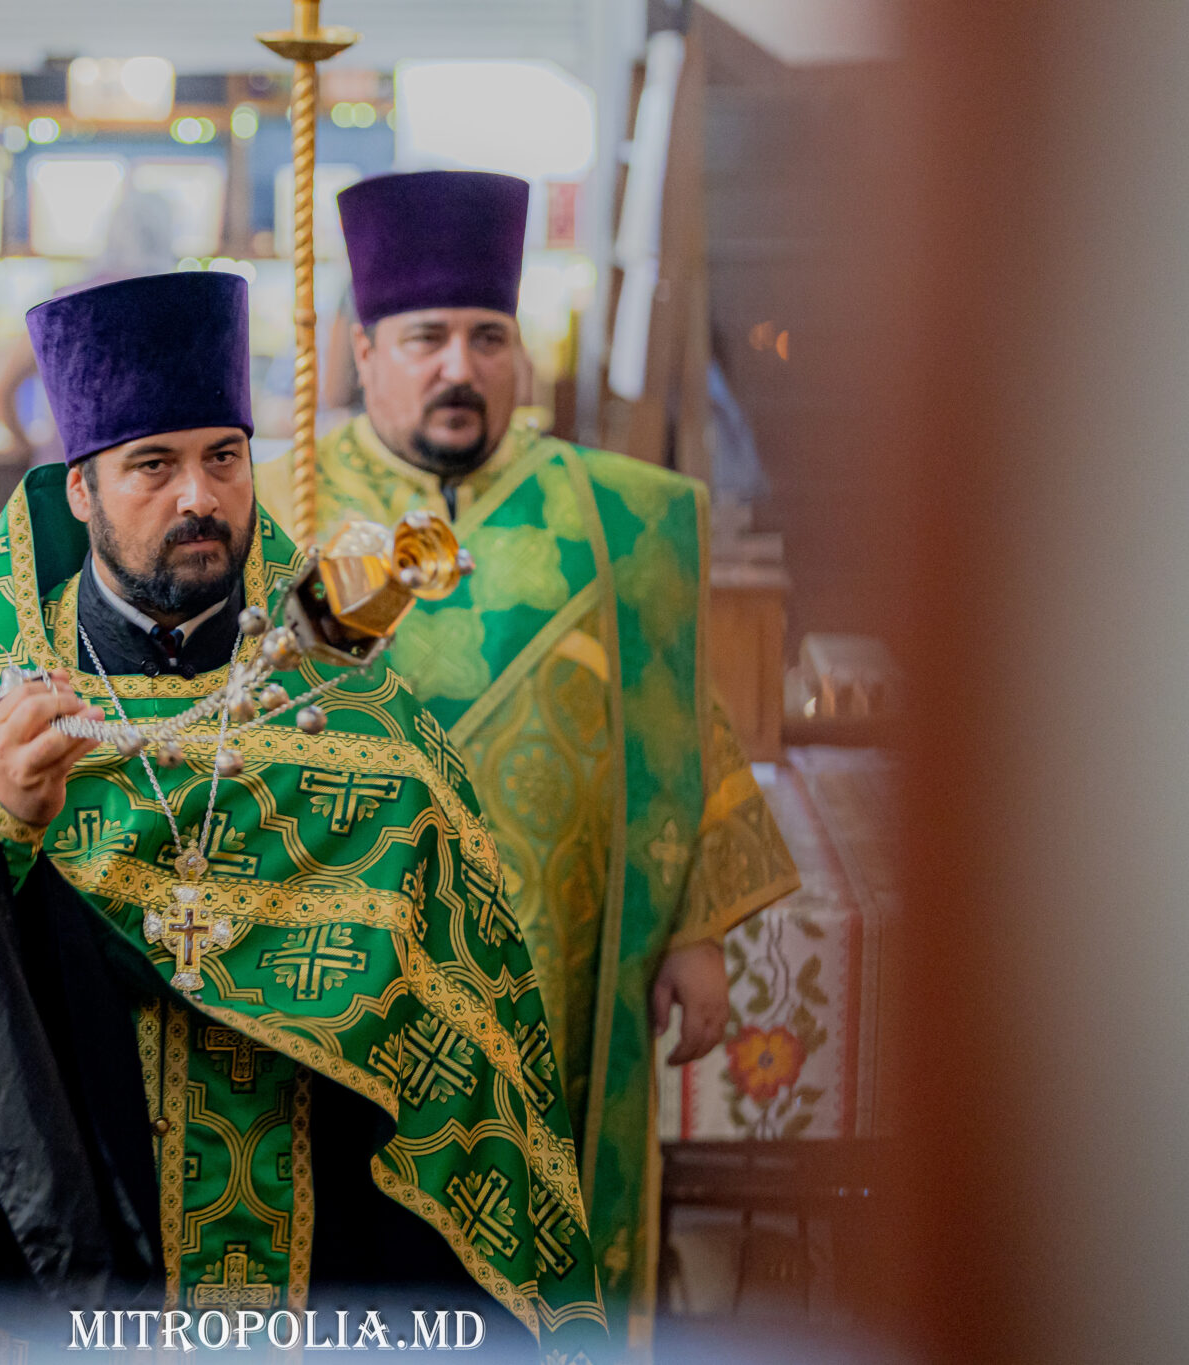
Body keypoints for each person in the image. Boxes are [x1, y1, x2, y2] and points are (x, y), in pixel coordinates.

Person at [0, 270, 611, 1362]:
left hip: (319, 1254)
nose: (200, 497)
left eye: (225, 457)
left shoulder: (344, 700)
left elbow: (468, 992)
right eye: (153, 465)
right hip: (90, 1224)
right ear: (79, 489)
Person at [258, 170, 801, 1352]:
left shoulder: (614, 519)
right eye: (425, 339)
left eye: (487, 338)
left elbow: (675, 718)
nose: (458, 368)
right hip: (345, 985)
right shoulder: (278, 508)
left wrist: (696, 930)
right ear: (364, 353)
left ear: (521, 355)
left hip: (557, 977)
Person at [0, 189, 179, 465]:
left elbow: (0, 388)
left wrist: (27, 448)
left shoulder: (65, 305)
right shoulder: (175, 309)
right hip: (147, 476)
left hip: (66, 471)